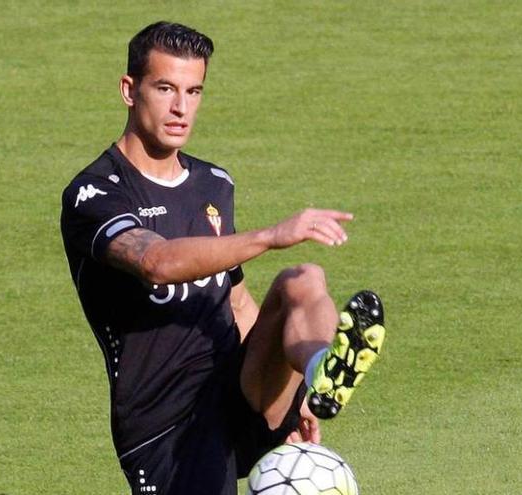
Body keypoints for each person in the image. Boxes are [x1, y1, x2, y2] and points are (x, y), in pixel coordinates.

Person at [60, 21, 387, 495]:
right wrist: (271, 235)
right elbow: (158, 263)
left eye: (194, 91)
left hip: (237, 389)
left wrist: (291, 394)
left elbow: (235, 304)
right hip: (167, 423)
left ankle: (322, 373)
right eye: (166, 88)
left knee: (303, 279)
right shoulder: (95, 194)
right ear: (129, 90)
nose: (181, 108)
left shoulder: (213, 183)